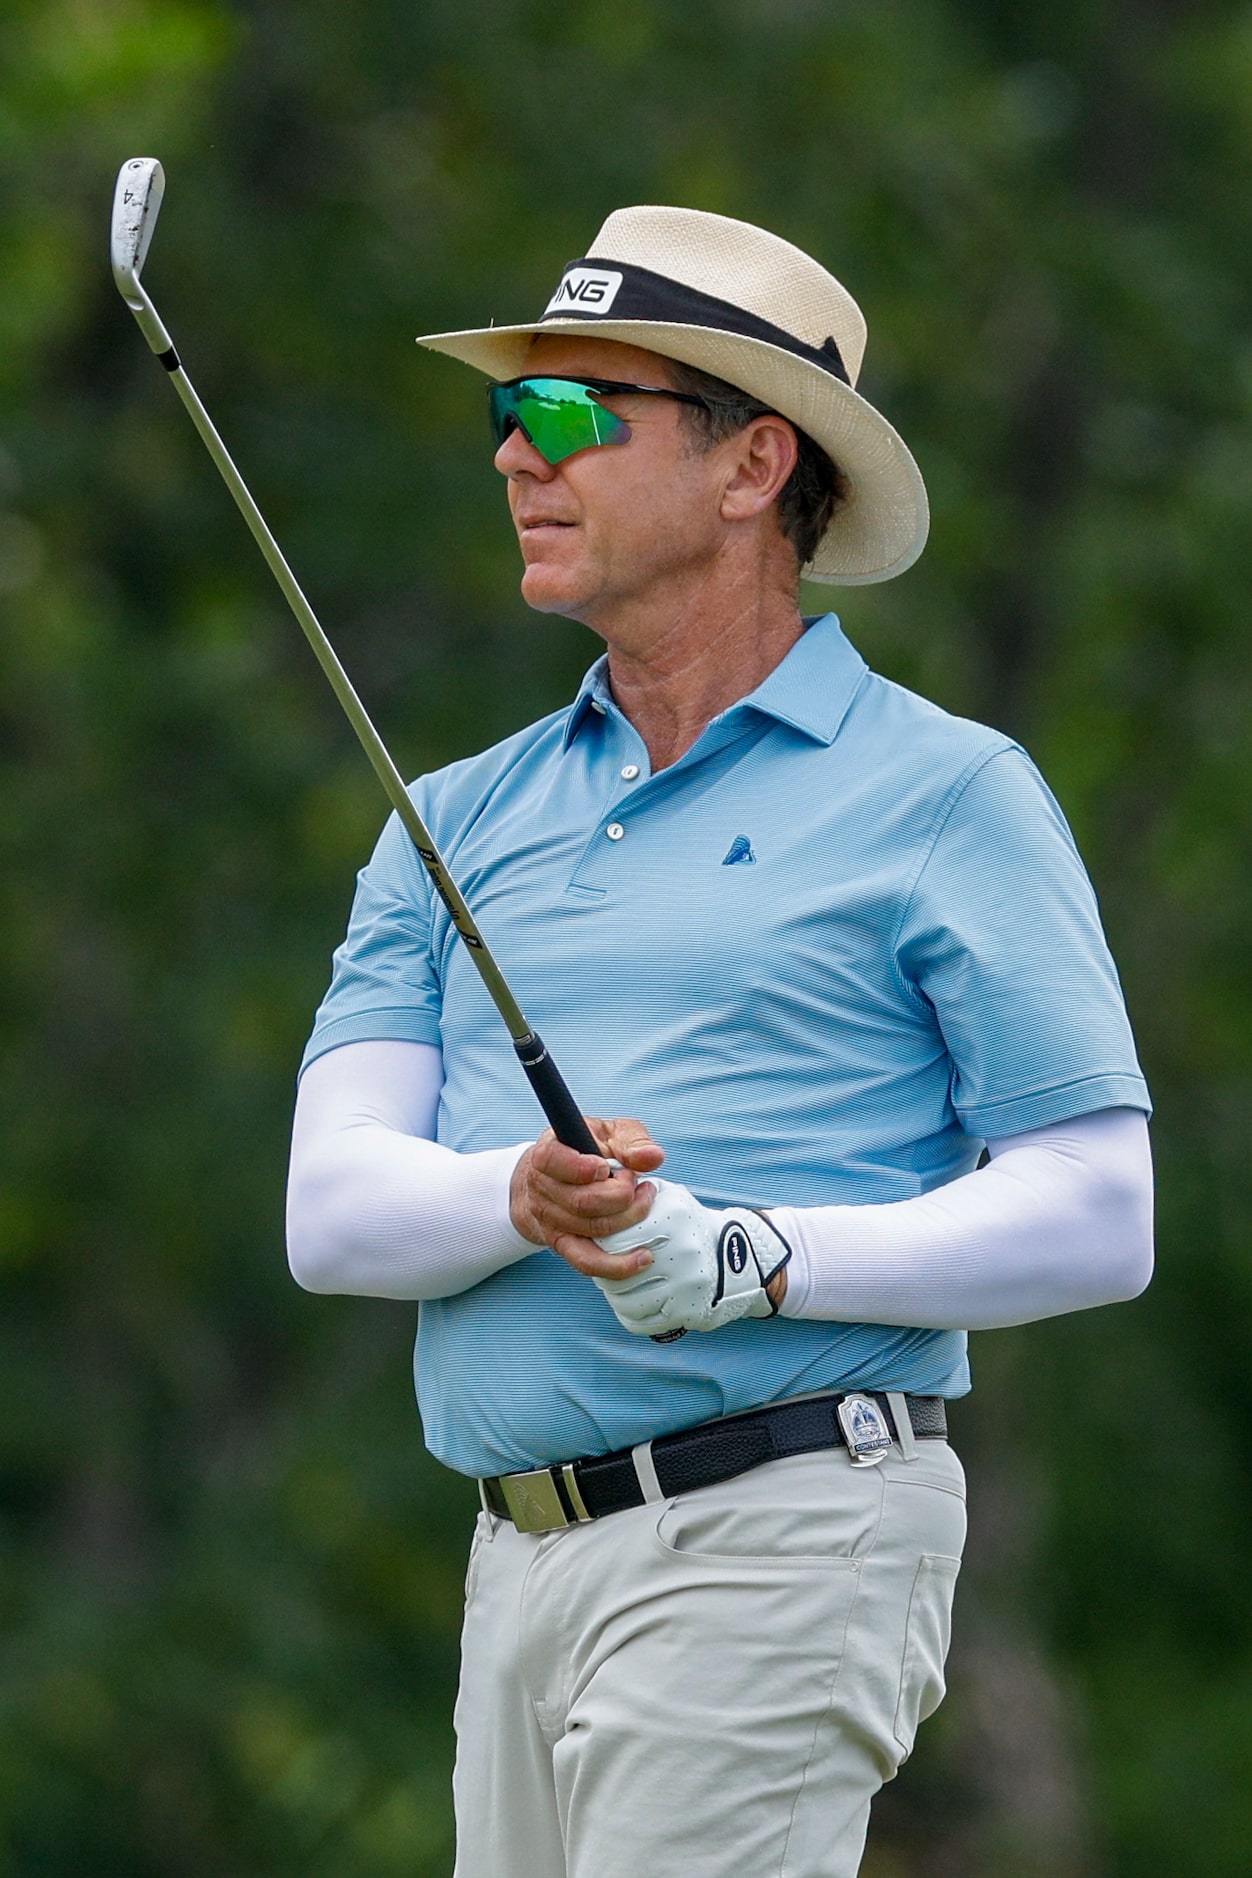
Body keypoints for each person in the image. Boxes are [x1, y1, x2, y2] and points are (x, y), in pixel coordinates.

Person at [286, 207, 1153, 1878]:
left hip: (781, 1529)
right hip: (518, 1560)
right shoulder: (446, 816)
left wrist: (758, 1254)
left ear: (755, 464)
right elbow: (331, 1215)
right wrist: (524, 1199)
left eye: (569, 416)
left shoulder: (949, 791)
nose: (518, 462)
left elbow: (1101, 1212)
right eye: (505, 420)